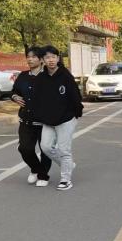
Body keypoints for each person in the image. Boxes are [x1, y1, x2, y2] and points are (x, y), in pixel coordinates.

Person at [33, 46, 84, 191]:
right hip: (48, 120)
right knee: (45, 147)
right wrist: (39, 115)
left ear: (58, 58)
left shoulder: (65, 76)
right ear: (43, 60)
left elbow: (76, 96)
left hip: (66, 119)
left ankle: (65, 179)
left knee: (64, 150)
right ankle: (68, 165)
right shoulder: (41, 78)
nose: (51, 60)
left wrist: (77, 113)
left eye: (53, 57)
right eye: (47, 57)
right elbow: (37, 99)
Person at [11, 46, 52, 188]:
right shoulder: (23, 76)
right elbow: (14, 91)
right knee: (24, 148)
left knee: (45, 150)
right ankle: (36, 169)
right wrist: (15, 97)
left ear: (41, 60)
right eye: (28, 57)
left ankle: (43, 176)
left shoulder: (48, 76)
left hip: (45, 122)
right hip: (26, 120)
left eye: (34, 57)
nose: (30, 59)